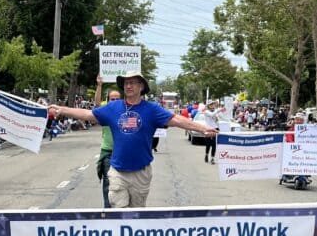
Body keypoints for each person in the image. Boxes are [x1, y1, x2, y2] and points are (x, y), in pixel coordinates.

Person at [48, 70, 217, 208]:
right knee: (119, 210)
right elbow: (88, 114)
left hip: (141, 173)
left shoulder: (152, 109)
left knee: (136, 215)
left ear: (141, 86)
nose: (128, 86)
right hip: (118, 171)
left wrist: (203, 129)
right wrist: (62, 110)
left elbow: (177, 120)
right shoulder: (113, 107)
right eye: (126, 83)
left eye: (132, 82)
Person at [94, 76, 121, 208]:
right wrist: (99, 86)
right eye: (112, 99)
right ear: (108, 100)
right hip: (108, 154)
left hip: (123, 154)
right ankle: (108, 213)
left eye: (117, 99)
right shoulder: (105, 111)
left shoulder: (125, 111)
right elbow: (97, 105)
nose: (115, 101)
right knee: (108, 186)